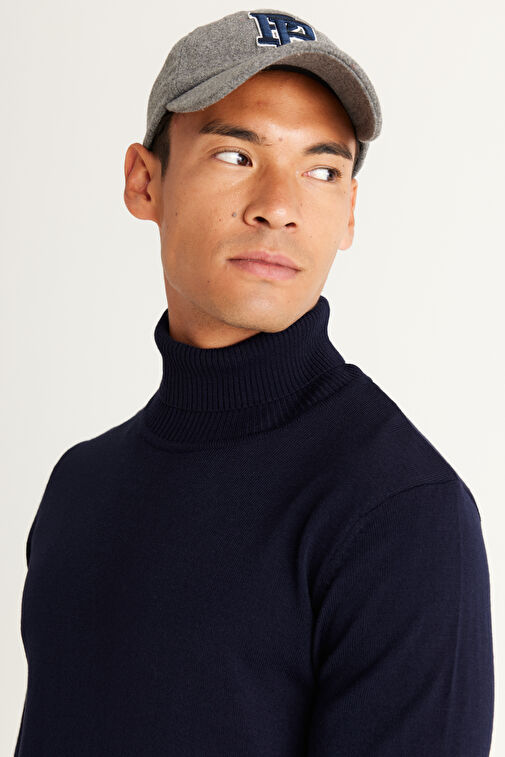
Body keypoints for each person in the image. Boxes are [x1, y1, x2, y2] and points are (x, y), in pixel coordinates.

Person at [14, 8, 494, 757]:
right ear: (144, 181)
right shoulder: (80, 487)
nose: (278, 207)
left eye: (322, 170)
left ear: (349, 213)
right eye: (236, 156)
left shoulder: (399, 512)